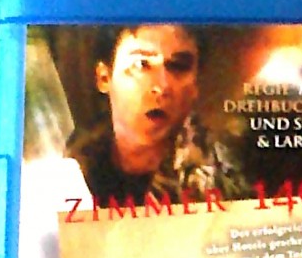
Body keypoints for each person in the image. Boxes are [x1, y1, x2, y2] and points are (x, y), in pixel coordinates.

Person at [66, 23, 247, 204]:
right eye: (141, 64)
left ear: (195, 86)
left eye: (178, 66)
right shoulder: (68, 172)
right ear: (104, 77)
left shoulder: (225, 184)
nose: (162, 86)